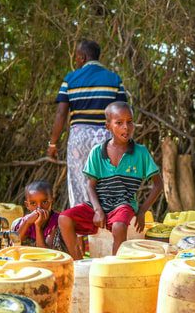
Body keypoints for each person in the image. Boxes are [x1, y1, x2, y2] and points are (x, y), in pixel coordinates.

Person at [55, 102, 163, 259]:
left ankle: (114, 267)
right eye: (119, 123)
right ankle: (78, 263)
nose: (126, 127)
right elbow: (90, 186)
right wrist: (98, 210)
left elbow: (158, 184)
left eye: (130, 121)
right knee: (64, 218)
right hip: (97, 204)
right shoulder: (97, 152)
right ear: (108, 126)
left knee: (119, 226)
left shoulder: (141, 153)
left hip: (123, 205)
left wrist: (142, 211)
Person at [46, 40, 128, 207]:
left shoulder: (70, 79)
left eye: (77, 57)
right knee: (106, 182)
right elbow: (123, 113)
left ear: (82, 57)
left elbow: (61, 113)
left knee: (79, 182)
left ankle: (82, 225)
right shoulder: (114, 79)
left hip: (79, 138)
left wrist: (52, 144)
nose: (76, 60)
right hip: (105, 138)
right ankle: (105, 227)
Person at [11, 180, 63, 249]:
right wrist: (26, 222)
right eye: (33, 203)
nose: (39, 208)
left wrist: (38, 227)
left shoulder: (57, 222)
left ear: (52, 201)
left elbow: (46, 253)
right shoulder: (26, 220)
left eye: (44, 202)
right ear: (27, 205)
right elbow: (13, 245)